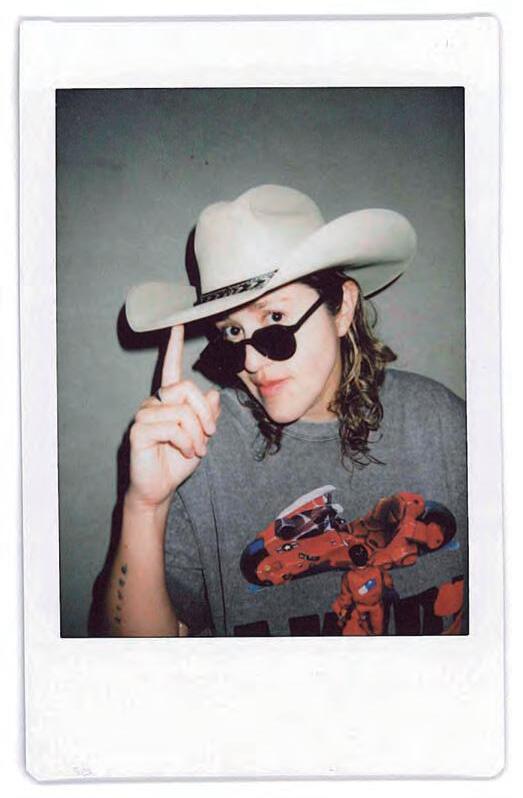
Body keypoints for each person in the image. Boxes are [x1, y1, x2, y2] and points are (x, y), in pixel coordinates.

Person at [102, 184, 467, 637]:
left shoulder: (441, 424)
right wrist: (146, 507)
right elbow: (139, 661)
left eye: (274, 319)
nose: (252, 363)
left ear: (342, 308)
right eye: (232, 333)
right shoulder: (198, 450)